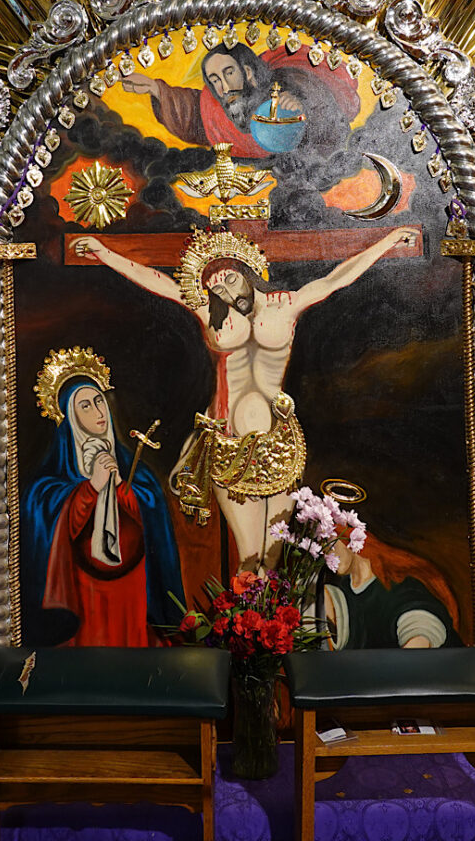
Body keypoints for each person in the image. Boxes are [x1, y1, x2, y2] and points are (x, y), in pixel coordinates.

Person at [72, 227, 417, 569]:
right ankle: (247, 623)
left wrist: (387, 242)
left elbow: (336, 278)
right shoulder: (212, 314)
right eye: (216, 287)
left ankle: (273, 625)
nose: (224, 290)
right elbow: (159, 282)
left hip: (278, 444)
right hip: (229, 445)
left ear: (247, 270)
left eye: (230, 280)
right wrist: (104, 253)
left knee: (272, 558)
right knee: (249, 559)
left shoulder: (287, 304)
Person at [21, 347, 185, 647]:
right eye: (85, 406)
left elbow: (151, 514)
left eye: (99, 402)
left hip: (132, 587)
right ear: (70, 416)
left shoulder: (133, 469)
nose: (98, 413)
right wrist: (90, 487)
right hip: (85, 591)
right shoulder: (50, 481)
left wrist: (122, 486)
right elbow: (43, 512)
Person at [121, 43, 360, 159]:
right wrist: (155, 89)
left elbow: (324, 109)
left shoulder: (287, 81)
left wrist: (301, 103)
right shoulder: (219, 111)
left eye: (228, 73)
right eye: (214, 79)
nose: (223, 88)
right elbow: (195, 113)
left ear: (247, 72)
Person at [320, 533, 461, 650]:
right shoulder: (343, 591)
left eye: (329, 545)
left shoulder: (399, 583)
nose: (328, 556)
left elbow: (421, 630)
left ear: (350, 538)